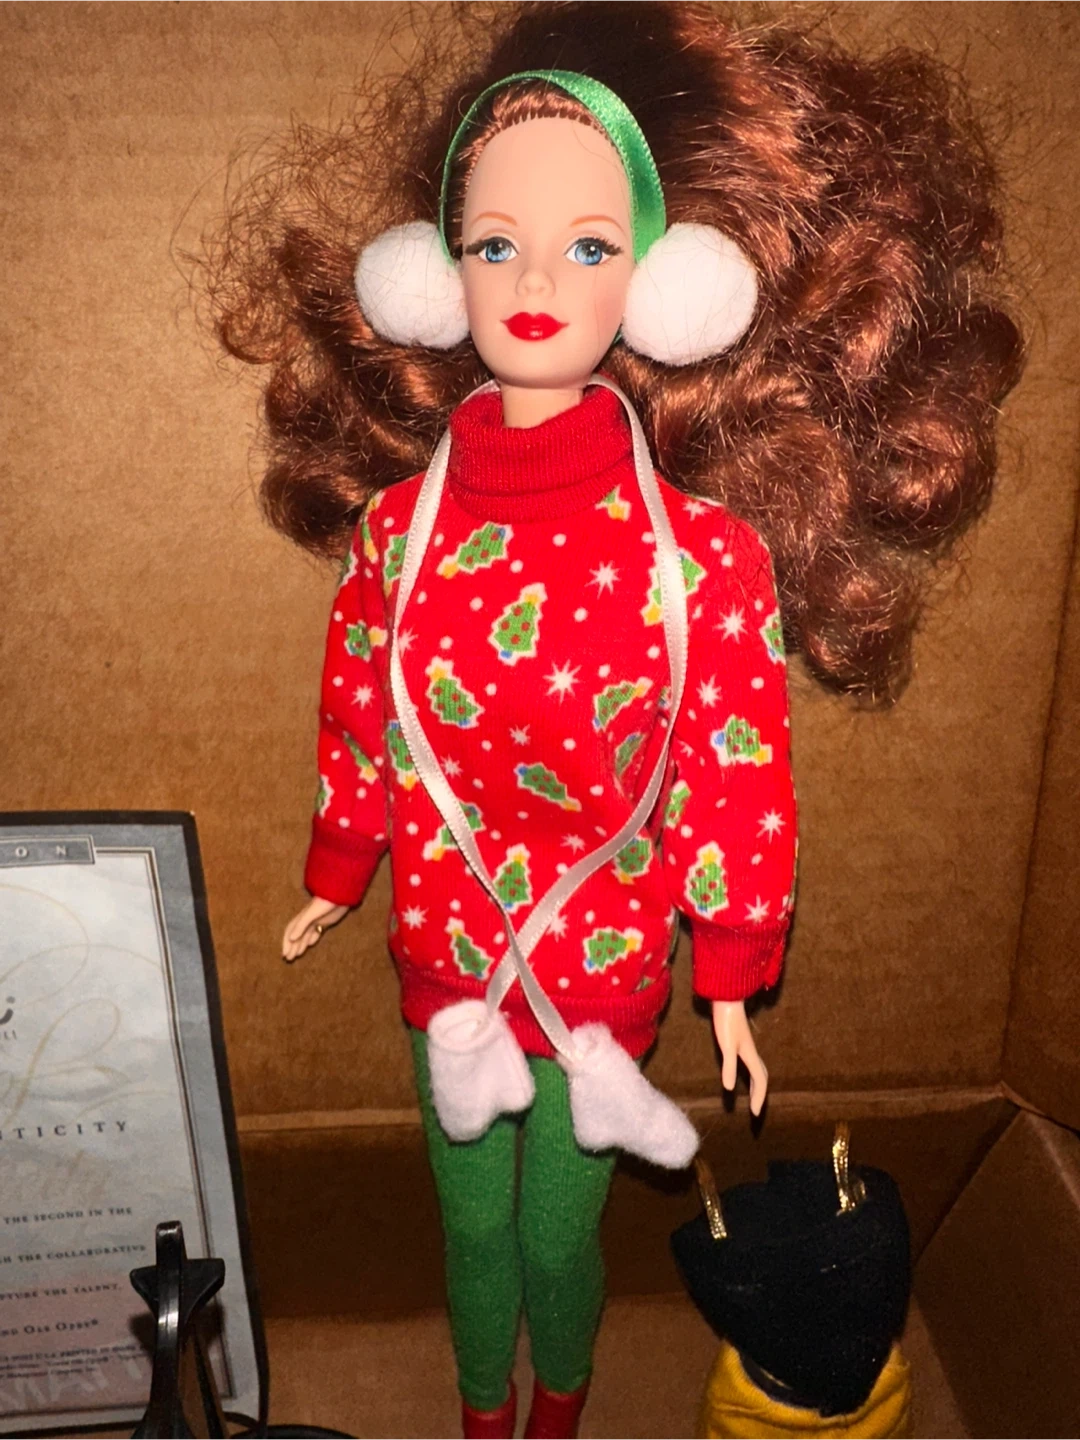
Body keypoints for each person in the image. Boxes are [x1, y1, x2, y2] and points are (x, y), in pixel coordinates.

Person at [208, 3, 1022, 1435]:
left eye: (589, 247)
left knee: (552, 1232)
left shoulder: (699, 556)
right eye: (494, 243)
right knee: (469, 1227)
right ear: (432, 274)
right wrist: (339, 864)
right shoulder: (396, 533)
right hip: (449, 939)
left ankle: (558, 1412)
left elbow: (733, 767)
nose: (535, 281)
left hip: (601, 944)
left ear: (665, 283)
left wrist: (733, 965)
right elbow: (361, 710)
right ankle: (483, 1412)